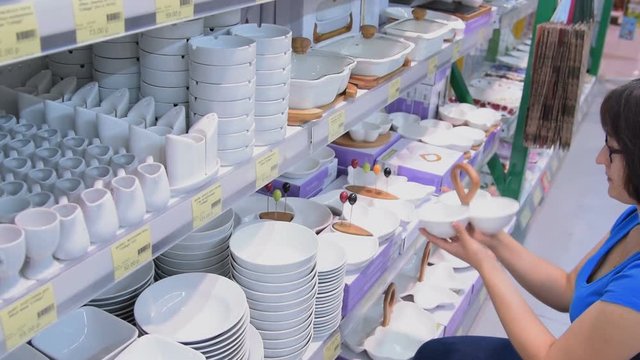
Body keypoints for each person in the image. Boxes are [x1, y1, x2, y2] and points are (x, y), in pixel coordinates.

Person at [415, 79, 640, 360]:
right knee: (438, 352)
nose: (599, 159)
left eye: (612, 148)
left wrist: (485, 264)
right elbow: (568, 288)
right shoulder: (634, 218)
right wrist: (492, 237)